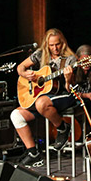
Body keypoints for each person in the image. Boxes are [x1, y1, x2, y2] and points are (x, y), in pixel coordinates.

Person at [10, 28, 77, 167]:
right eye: (51, 45)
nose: (55, 48)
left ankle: (62, 128)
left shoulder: (70, 59)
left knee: (41, 103)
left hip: (63, 95)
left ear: (62, 43)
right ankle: (33, 153)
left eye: (57, 44)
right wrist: (25, 74)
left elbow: (70, 88)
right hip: (43, 98)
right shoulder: (40, 54)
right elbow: (20, 67)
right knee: (16, 115)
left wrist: (68, 79)